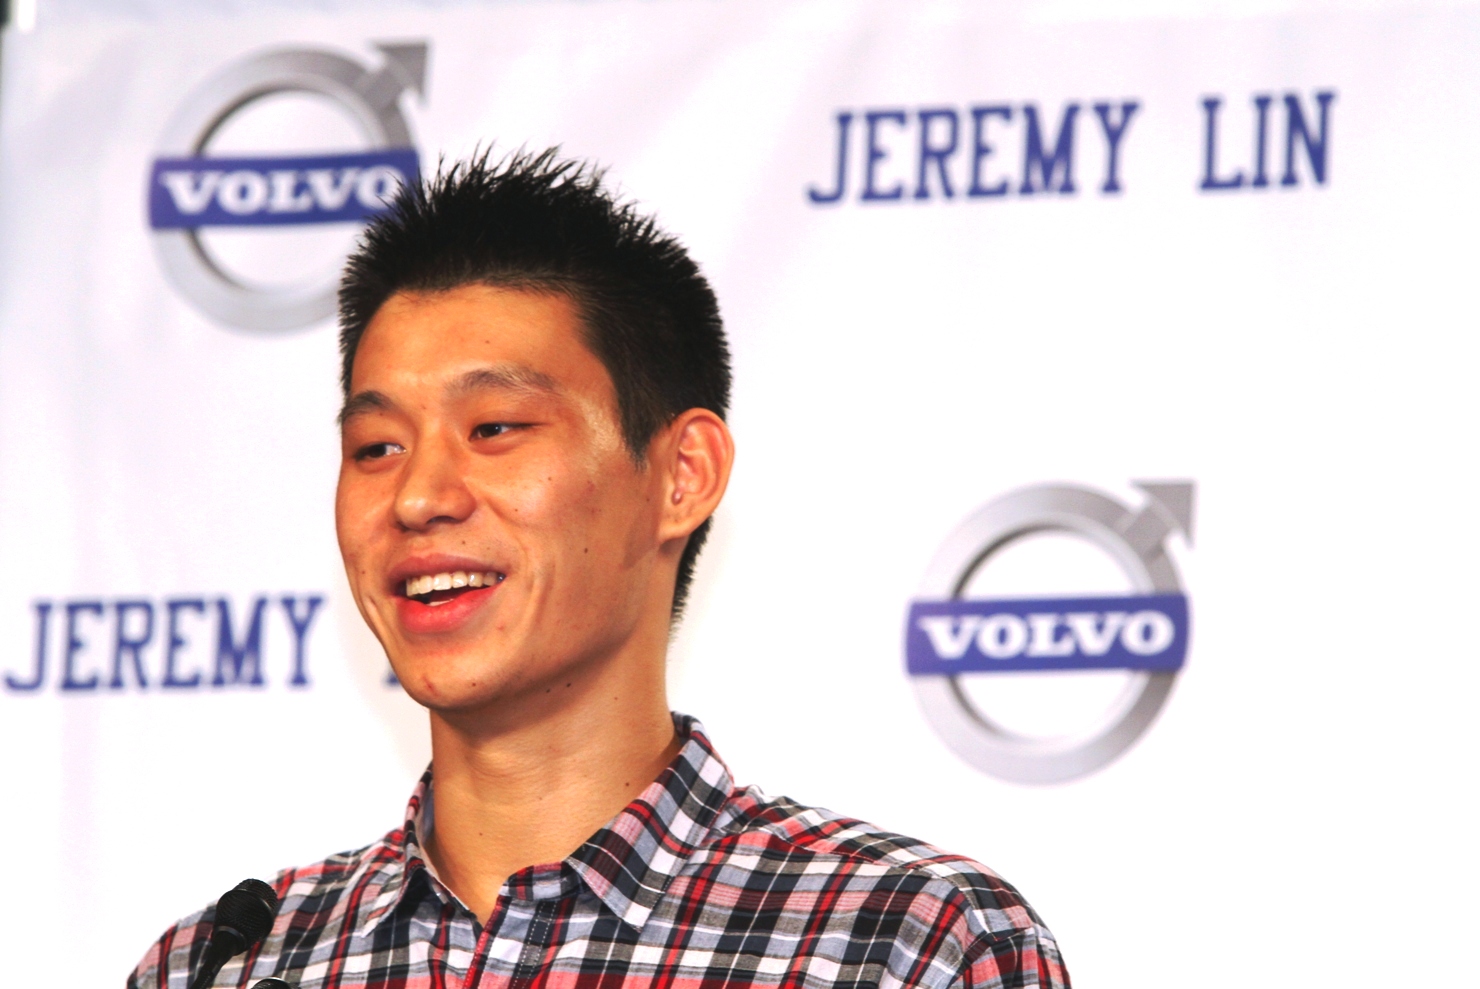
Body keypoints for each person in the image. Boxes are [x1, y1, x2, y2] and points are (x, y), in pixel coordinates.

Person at [128, 149, 1071, 989]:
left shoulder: (907, 943)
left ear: (681, 475)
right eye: (376, 447)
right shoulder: (224, 962)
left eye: (494, 428)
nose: (417, 498)